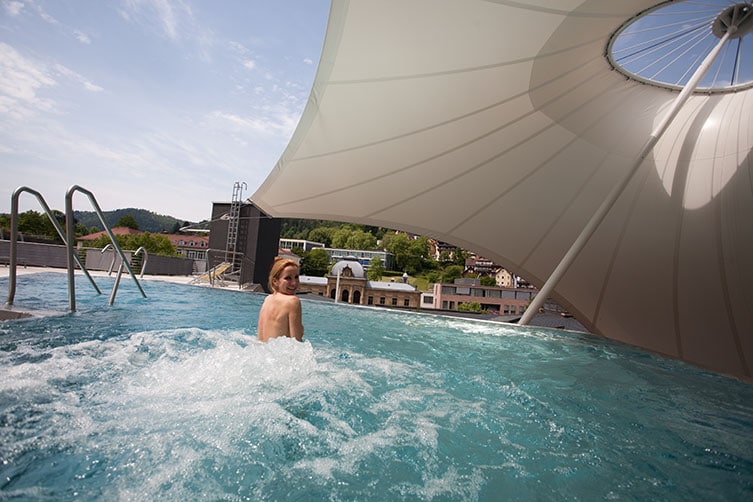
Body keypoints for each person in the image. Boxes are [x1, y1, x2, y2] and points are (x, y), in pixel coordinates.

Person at [257, 258, 304, 342]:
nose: (294, 283)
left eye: (296, 277)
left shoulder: (268, 299)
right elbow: (296, 343)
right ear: (275, 281)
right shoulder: (293, 301)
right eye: (288, 278)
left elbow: (260, 339)